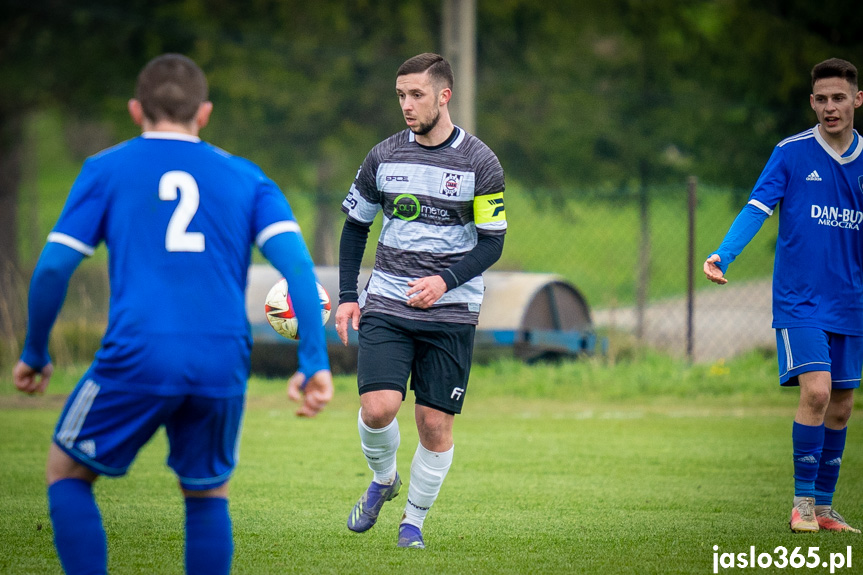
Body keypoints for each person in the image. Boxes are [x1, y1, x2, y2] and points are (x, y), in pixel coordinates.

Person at [13, 53, 334, 574]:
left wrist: (34, 351)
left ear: (136, 110)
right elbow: (299, 271)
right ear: (203, 114)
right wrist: (314, 362)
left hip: (140, 351)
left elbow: (52, 270)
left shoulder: (107, 169)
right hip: (222, 355)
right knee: (207, 494)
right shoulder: (247, 178)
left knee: (66, 471)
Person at [335, 52, 506, 549]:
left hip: (451, 311)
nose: (407, 105)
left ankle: (413, 523)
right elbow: (355, 226)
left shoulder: (481, 163)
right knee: (377, 408)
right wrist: (349, 297)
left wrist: (445, 281)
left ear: (444, 95)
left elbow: (493, 242)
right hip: (388, 303)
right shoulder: (383, 155)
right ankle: (384, 479)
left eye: (417, 95)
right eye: (401, 96)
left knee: (434, 425)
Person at [705, 58, 863, 534]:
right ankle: (802, 506)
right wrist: (723, 255)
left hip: (850, 301)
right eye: (821, 99)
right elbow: (757, 207)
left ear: (857, 99)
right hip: (801, 301)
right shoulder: (791, 152)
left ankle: (826, 507)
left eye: (839, 98)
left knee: (841, 405)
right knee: (816, 391)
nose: (830, 107)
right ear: (811, 102)